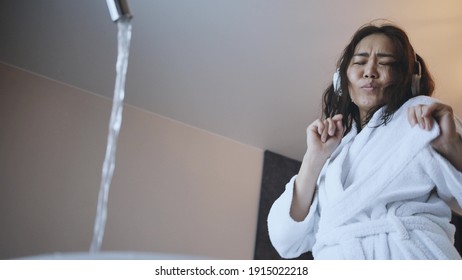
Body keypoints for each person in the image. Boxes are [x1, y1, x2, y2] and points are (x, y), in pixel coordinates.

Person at [267, 21, 462, 259]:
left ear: (409, 77)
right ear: (342, 80)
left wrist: (452, 146)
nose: (369, 71)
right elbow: (285, 240)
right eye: (359, 62)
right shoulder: (334, 154)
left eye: (385, 63)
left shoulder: (425, 117)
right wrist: (313, 159)